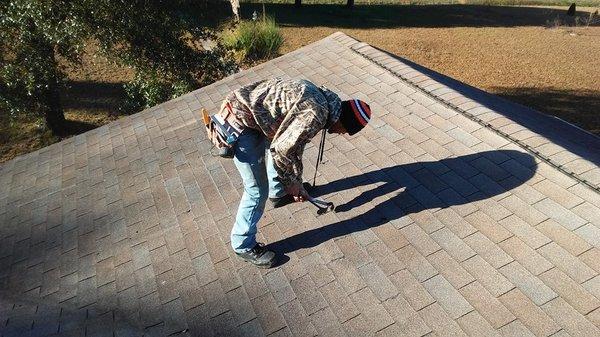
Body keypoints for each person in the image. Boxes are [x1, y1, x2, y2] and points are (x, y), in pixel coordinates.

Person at [220, 78, 371, 268]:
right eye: (346, 131)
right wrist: (292, 182)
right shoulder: (316, 115)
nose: (342, 134)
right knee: (256, 190)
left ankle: (278, 192)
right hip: (239, 120)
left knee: (283, 145)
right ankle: (242, 244)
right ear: (344, 122)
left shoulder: (326, 101)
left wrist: (295, 181)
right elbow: (282, 150)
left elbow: (295, 145)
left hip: (253, 111)